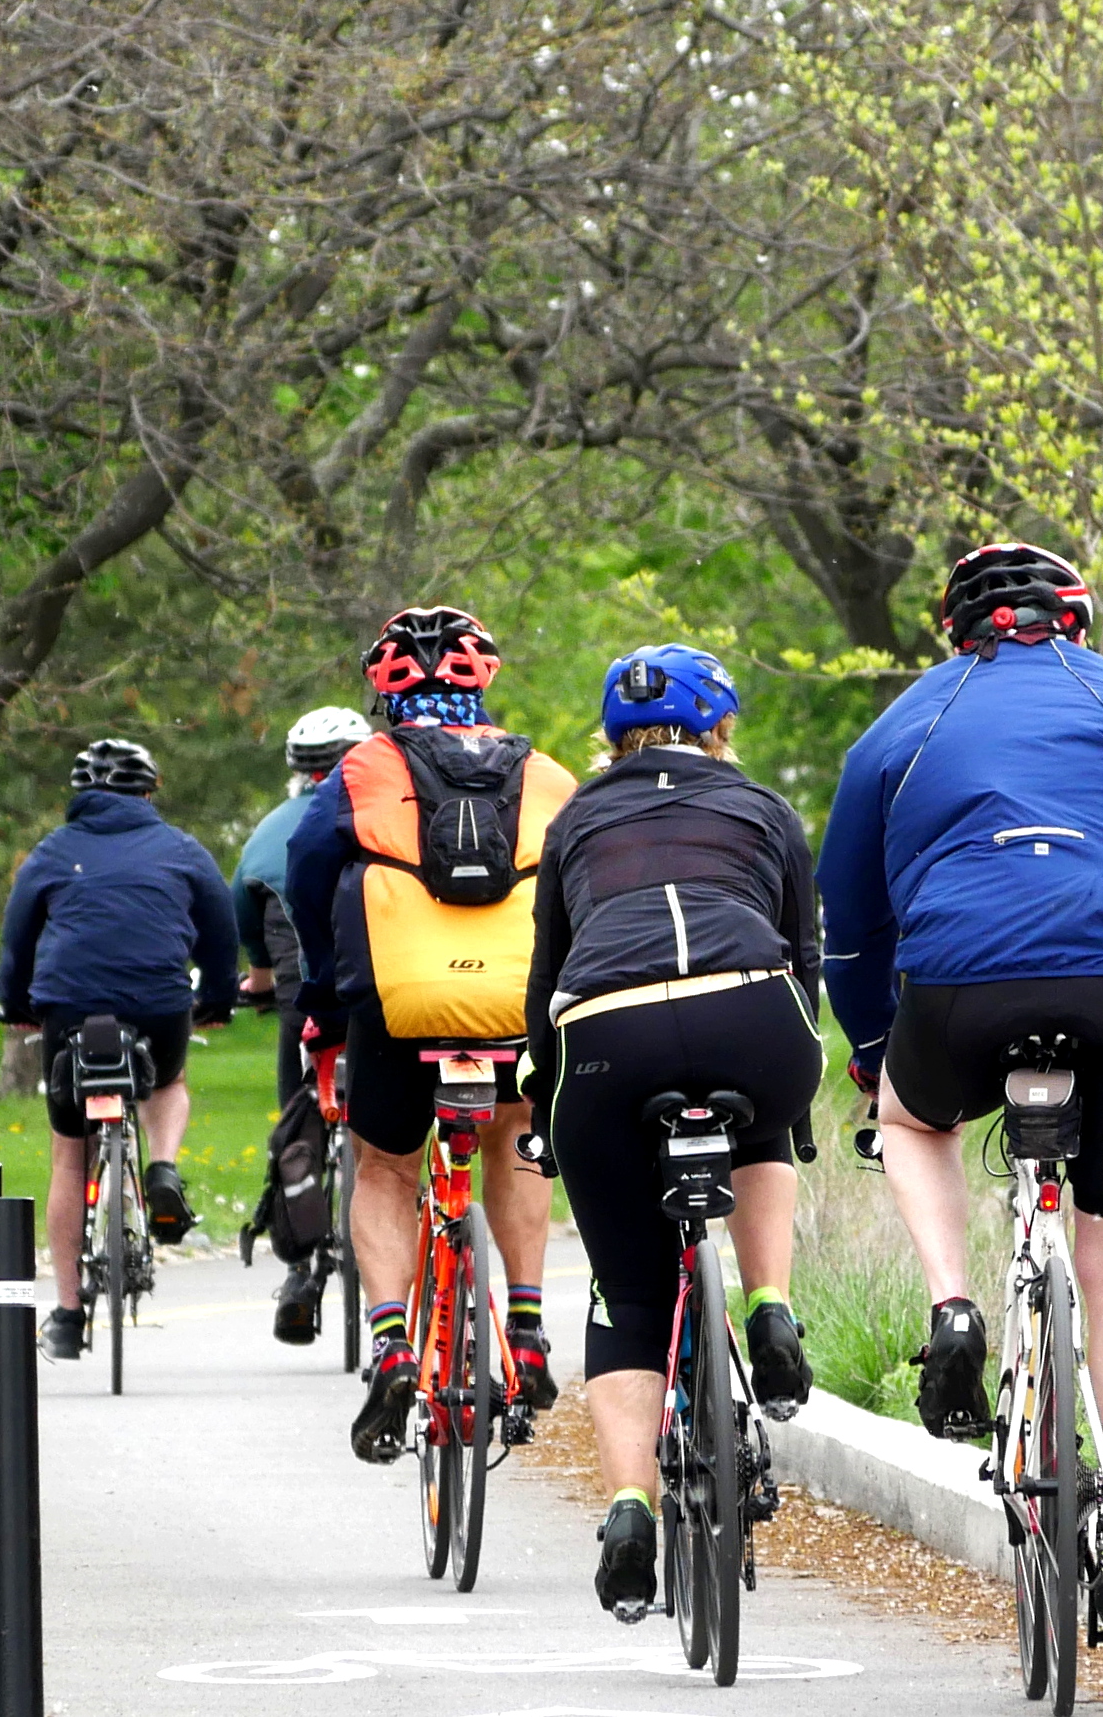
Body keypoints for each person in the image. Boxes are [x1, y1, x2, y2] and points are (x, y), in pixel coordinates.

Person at [817, 542, 1103, 1639]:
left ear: (955, 629)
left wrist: (874, 1052)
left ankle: (953, 1304)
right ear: (1079, 619)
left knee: (910, 1121)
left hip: (960, 981)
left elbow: (849, 919)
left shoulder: (904, 724)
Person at [524, 644, 822, 1619]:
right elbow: (803, 954)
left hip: (607, 1037)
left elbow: (546, 982)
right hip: (752, 1013)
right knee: (768, 1128)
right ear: (719, 727)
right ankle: (770, 1305)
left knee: (627, 1292)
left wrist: (545, 1110)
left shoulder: (577, 820)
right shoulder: (765, 808)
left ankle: (625, 1510)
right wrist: (792, 1091)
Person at [285, 606, 578, 1462]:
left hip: (398, 1002)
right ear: (484, 680)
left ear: (382, 691)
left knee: (384, 1165)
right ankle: (524, 1327)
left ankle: (389, 1341)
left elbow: (306, 880)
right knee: (517, 1132)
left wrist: (324, 995)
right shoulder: (547, 775)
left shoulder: (359, 771)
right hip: (516, 1002)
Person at [0, 738, 239, 1362]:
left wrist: (14, 1002)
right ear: (149, 792)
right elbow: (220, 931)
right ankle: (161, 1166)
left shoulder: (53, 852)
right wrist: (215, 997)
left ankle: (68, 1315)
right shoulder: (183, 850)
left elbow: (17, 939)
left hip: (70, 1008)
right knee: (167, 1080)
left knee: (69, 1159)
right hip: (158, 1004)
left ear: (79, 795)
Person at [234, 703, 375, 1341]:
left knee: (298, 1115)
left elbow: (244, 910)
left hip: (303, 998)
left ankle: (299, 1274)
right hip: (380, 991)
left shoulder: (270, 831)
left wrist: (259, 977)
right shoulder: (387, 813)